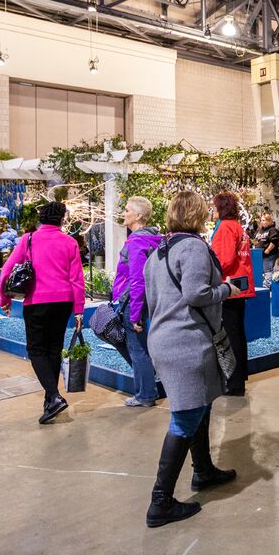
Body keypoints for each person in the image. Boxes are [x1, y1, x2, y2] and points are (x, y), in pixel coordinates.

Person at [142, 191, 240, 528]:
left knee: (199, 406)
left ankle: (203, 471)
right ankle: (160, 502)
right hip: (187, 343)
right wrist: (228, 290)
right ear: (197, 215)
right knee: (185, 419)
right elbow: (196, 294)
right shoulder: (194, 247)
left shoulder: (159, 251)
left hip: (166, 340)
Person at [0, 201, 85, 424]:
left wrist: (5, 298)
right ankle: (50, 400)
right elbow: (77, 279)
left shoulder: (28, 239)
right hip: (63, 302)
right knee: (54, 349)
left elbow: (7, 270)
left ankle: (54, 396)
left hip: (36, 301)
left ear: (41, 216)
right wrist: (78, 310)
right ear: (62, 219)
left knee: (36, 350)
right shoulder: (70, 242)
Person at [111, 196, 163, 407]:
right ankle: (146, 390)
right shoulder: (153, 239)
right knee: (139, 348)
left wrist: (134, 315)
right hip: (143, 301)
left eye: (127, 210)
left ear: (139, 216)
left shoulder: (136, 242)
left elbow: (137, 279)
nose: (124, 214)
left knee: (137, 350)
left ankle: (145, 394)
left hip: (132, 303)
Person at [210, 192, 255, 396]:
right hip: (240, 286)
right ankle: (239, 378)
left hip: (229, 288)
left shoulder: (226, 227)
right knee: (237, 333)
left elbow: (224, 260)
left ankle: (234, 382)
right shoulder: (237, 226)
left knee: (230, 336)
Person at [254, 212, 279, 276]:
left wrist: (268, 250)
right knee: (262, 272)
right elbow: (257, 239)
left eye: (264, 220)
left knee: (268, 271)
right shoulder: (260, 230)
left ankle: (268, 285)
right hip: (259, 254)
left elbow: (274, 241)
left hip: (269, 255)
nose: (262, 222)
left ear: (269, 221)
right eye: (261, 220)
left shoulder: (272, 230)